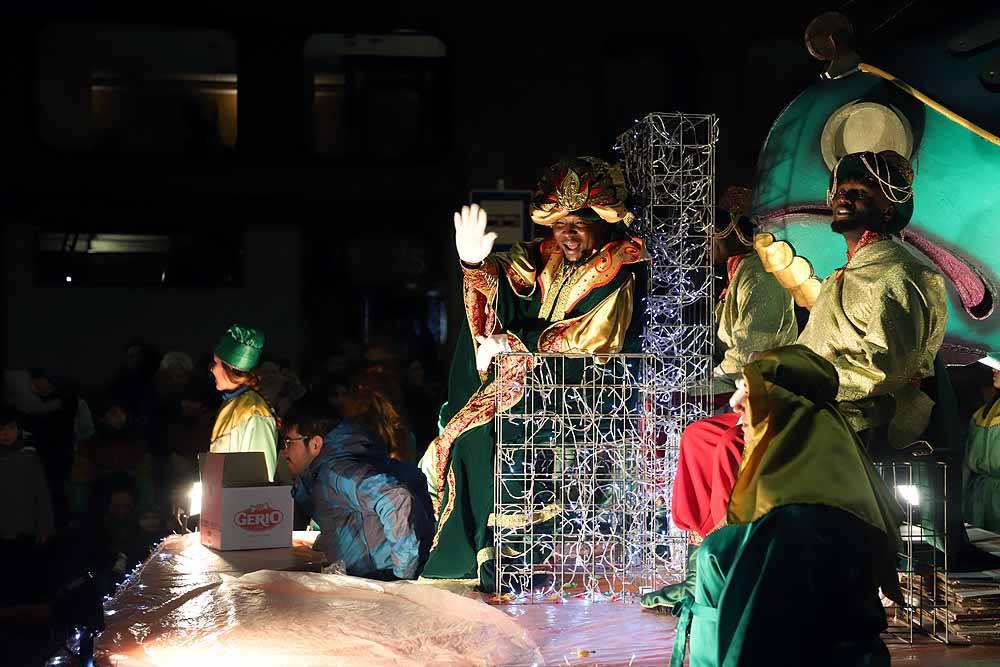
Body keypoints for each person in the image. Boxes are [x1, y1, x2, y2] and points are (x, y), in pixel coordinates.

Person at [647, 150, 946, 609]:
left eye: (858, 192)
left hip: (861, 405)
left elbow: (885, 368)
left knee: (733, 445)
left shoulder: (898, 272)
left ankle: (744, 567)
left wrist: (787, 384)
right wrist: (767, 383)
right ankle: (704, 567)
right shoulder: (847, 273)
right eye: (841, 191)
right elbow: (808, 351)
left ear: (889, 206)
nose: (843, 199)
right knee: (701, 437)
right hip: (814, 400)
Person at [418, 156, 649, 589]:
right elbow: (505, 286)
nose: (568, 235)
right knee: (459, 431)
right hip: (528, 379)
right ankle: (478, 552)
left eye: (578, 223)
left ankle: (510, 557)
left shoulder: (621, 265)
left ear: (600, 222)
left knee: (497, 436)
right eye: (560, 225)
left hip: (583, 390)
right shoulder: (545, 257)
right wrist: (474, 267)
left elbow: (597, 338)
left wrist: (516, 344)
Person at [670, 345, 903, 667]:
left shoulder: (793, 526)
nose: (736, 407)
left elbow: (760, 644)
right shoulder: (838, 493)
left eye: (748, 396)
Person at [281, 397, 434, 580]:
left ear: (315, 444)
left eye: (289, 442)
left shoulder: (336, 473)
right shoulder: (321, 473)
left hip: (379, 582)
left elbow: (396, 498)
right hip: (370, 580)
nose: (284, 451)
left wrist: (402, 576)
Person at [710, 187, 797, 396]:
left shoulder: (761, 275)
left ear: (733, 229)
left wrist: (708, 381)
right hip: (739, 381)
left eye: (712, 230)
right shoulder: (740, 268)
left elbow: (747, 353)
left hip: (761, 389)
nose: (707, 239)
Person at [208, 325, 281, 482]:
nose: (212, 370)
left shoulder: (254, 412)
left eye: (216, 363)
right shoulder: (231, 405)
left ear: (230, 368)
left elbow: (260, 481)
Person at [0, 406, 55, 604]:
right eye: (1, 429)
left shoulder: (29, 458)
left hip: (26, 526)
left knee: (26, 572)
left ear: (18, 430)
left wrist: (45, 525)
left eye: (10, 428)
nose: (5, 434)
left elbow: (41, 493)